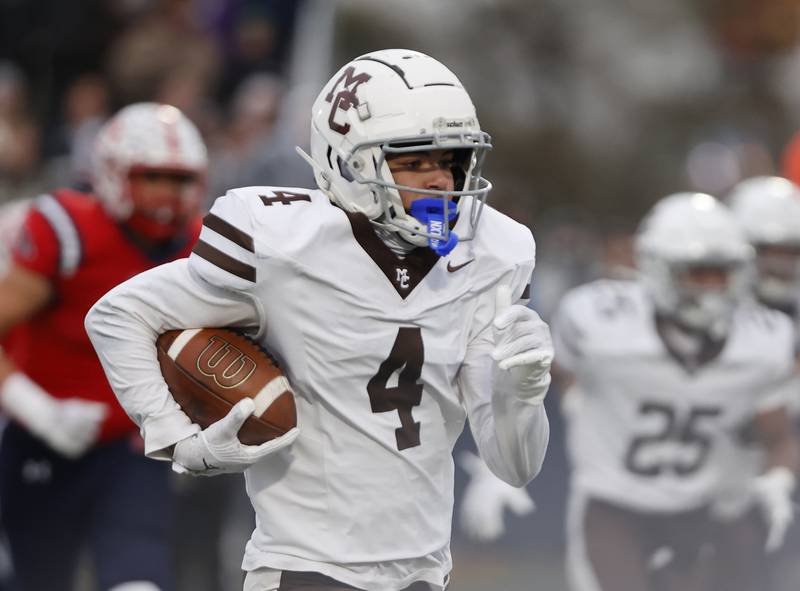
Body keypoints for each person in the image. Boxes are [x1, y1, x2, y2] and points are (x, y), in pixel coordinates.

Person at [85, 48, 553, 591]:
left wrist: (521, 391)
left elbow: (515, 466)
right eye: (413, 161)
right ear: (347, 162)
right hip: (303, 569)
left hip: (424, 573)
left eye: (449, 160)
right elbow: (119, 314)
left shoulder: (491, 254)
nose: (441, 181)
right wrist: (178, 438)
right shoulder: (285, 247)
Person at [0, 102, 207, 591]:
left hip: (131, 447)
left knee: (139, 582)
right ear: (113, 175)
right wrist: (40, 411)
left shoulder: (201, 246)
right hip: (40, 441)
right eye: (152, 177)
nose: (167, 195)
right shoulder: (68, 231)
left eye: (180, 180)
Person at [552, 192, 798, 591]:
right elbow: (550, 364)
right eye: (698, 273)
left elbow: (778, 436)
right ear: (658, 269)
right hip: (614, 510)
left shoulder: (762, 342)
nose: (713, 287)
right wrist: (567, 395)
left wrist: (778, 478)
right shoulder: (603, 326)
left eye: (722, 273)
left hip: (700, 514)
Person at [722, 175, 800, 591]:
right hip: (725, 468)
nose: (783, 263)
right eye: (771, 250)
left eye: (793, 251)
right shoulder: (713, 310)